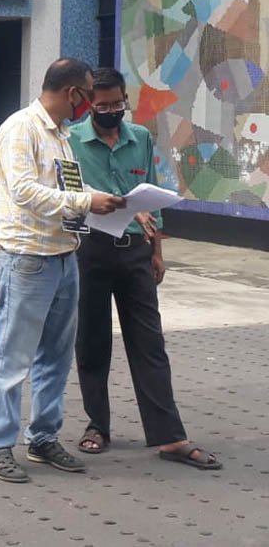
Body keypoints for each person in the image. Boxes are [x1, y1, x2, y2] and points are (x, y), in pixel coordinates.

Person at [0, 58, 126, 484]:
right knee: (13, 360)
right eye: (88, 95)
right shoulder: (20, 128)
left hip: (64, 256)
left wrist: (105, 201)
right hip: (27, 260)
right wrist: (84, 202)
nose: (91, 105)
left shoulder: (61, 136)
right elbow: (24, 192)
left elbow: (69, 190)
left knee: (56, 360)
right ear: (71, 93)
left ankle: (43, 438)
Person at [69, 67, 221, 469]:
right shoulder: (70, 141)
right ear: (89, 104)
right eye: (103, 106)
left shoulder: (140, 137)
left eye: (118, 103)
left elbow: (151, 197)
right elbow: (70, 194)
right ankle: (97, 426)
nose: (112, 111)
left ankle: (170, 437)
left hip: (136, 252)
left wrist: (157, 252)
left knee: (150, 343)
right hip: (90, 251)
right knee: (92, 342)